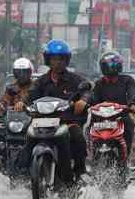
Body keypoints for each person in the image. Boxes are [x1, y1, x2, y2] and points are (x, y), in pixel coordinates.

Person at [25, 39, 92, 185]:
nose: (57, 63)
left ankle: (80, 171)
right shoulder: (40, 82)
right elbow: (29, 97)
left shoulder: (75, 80)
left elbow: (87, 91)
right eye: (54, 59)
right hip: (41, 123)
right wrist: (20, 103)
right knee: (26, 134)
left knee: (78, 136)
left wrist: (84, 100)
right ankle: (24, 171)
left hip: (67, 123)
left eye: (61, 59)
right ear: (48, 60)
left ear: (66, 60)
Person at [91, 51, 135, 155]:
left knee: (129, 124)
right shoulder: (99, 83)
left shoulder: (127, 80)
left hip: (121, 116)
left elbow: (132, 93)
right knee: (88, 125)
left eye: (113, 65)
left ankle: (126, 157)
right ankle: (90, 154)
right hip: (102, 117)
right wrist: (85, 104)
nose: (110, 68)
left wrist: (133, 104)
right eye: (106, 65)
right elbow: (94, 99)